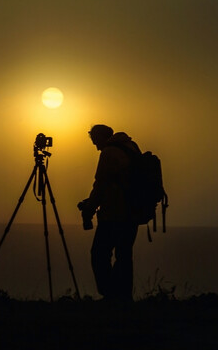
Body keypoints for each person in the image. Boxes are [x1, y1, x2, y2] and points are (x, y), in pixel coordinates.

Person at [79, 124, 141, 302]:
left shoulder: (108, 153)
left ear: (100, 137)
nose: (95, 145)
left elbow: (101, 185)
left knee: (99, 254)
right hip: (133, 212)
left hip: (114, 214)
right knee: (124, 255)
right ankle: (124, 297)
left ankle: (110, 294)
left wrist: (89, 209)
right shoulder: (130, 147)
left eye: (95, 140)